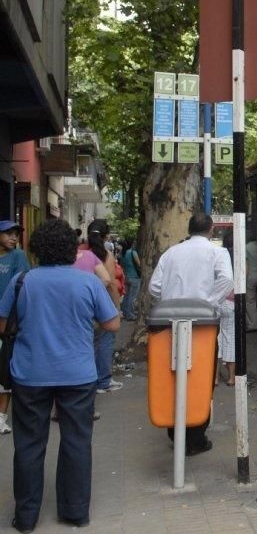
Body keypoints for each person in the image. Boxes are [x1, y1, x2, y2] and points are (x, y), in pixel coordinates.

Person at [0, 219, 120, 532]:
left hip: (29, 374)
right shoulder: (88, 283)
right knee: (77, 442)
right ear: (72, 249)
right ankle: (75, 512)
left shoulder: (22, 281)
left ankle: (26, 518)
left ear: (37, 250)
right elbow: (113, 324)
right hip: (78, 374)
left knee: (28, 445)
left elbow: (3, 325)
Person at [149, 212, 233, 455]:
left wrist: (170, 301)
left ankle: (174, 431)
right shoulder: (217, 253)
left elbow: (155, 285)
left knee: (173, 372)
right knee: (202, 376)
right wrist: (208, 304)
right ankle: (196, 436)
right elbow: (227, 279)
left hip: (169, 323)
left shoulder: (171, 252)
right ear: (211, 230)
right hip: (203, 326)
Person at [80, 220, 124, 394]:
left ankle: (87, 381)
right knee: (105, 340)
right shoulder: (106, 255)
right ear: (106, 236)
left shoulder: (78, 252)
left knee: (87, 343)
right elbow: (111, 283)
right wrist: (116, 308)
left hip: (81, 305)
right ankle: (103, 381)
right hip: (102, 304)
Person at [0, 220, 31, 435]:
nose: (13, 237)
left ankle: (1, 416)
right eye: (8, 233)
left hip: (8, 321)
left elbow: (22, 286)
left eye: (16, 234)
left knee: (4, 370)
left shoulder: (18, 257)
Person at [218, 231, 236, 385]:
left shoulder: (219, 259)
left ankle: (215, 377)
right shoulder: (240, 261)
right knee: (230, 339)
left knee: (216, 338)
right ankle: (231, 378)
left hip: (218, 302)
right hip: (232, 304)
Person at [119, 239, 142, 321]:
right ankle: (130, 315)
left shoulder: (123, 253)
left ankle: (125, 312)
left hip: (126, 277)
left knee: (126, 296)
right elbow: (138, 263)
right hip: (135, 277)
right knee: (132, 297)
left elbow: (122, 265)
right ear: (132, 243)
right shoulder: (133, 252)